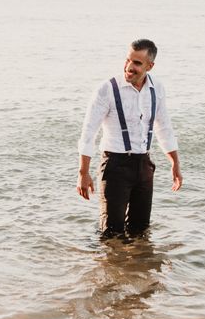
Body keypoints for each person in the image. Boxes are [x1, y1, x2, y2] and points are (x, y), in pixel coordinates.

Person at [76, 39, 182, 237]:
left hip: (144, 165)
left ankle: (136, 267)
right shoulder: (107, 89)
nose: (129, 67)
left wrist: (174, 162)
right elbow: (88, 132)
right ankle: (108, 266)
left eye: (137, 63)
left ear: (150, 66)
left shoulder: (156, 88)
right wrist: (83, 172)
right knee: (111, 232)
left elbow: (164, 127)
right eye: (128, 60)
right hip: (115, 166)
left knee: (141, 230)